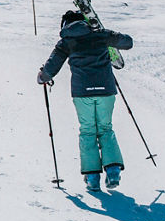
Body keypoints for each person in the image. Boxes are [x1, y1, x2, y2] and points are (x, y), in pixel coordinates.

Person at [38, 10, 134, 192]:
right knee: (105, 128)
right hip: (106, 90)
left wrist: (42, 76)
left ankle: (92, 178)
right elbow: (128, 42)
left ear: (64, 25)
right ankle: (113, 171)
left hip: (82, 93)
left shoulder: (66, 42)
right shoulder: (100, 35)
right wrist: (109, 35)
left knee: (88, 131)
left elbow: (51, 67)